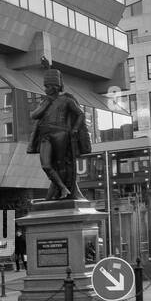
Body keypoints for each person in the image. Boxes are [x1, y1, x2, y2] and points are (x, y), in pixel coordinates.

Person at [26, 62, 91, 200]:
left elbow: (80, 114)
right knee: (46, 165)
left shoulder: (66, 100)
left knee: (61, 165)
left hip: (61, 134)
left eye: (48, 86)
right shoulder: (45, 101)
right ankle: (62, 188)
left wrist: (74, 129)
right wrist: (47, 102)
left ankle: (64, 190)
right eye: (45, 86)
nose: (45, 89)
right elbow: (34, 115)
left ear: (55, 87)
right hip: (45, 136)